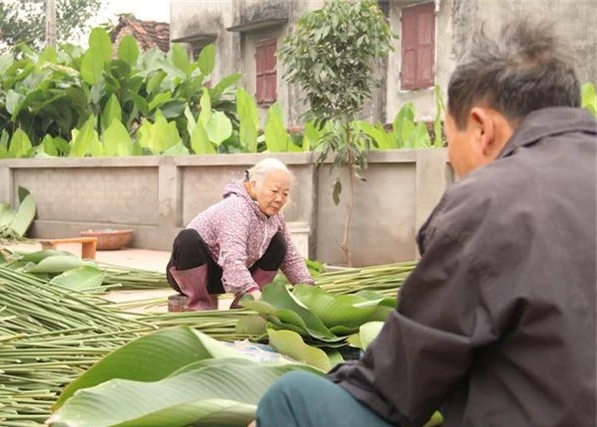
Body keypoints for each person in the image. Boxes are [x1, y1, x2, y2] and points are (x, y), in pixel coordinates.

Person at [253, 17, 596, 427]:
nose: (453, 161)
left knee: (292, 396)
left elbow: (395, 385)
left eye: (450, 142)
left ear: (483, 128)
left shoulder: (491, 202)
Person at [166, 157, 314, 311]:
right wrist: (255, 295)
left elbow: (291, 258)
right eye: (274, 191)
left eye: (285, 193)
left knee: (279, 243)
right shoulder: (237, 209)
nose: (279, 199)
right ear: (254, 185)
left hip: (224, 279)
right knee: (187, 238)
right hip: (190, 274)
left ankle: (243, 304)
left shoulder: (275, 218)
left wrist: (309, 290)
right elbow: (232, 258)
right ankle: (199, 305)